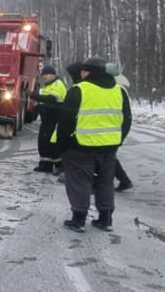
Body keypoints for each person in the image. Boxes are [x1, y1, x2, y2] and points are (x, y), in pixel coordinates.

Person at [55, 56, 132, 231]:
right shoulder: (119, 91)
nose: (81, 73)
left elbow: (66, 121)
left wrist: (63, 146)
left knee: (79, 182)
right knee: (105, 182)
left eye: (83, 70)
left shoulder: (79, 90)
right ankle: (105, 218)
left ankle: (79, 219)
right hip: (109, 148)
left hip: (80, 147)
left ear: (87, 72)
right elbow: (127, 119)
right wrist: (118, 140)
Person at [30, 64, 66, 173]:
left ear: (53, 75)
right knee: (44, 141)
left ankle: (60, 165)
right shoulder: (47, 86)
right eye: (43, 75)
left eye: (47, 74)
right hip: (47, 119)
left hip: (55, 119)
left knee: (52, 142)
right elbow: (45, 101)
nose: (44, 76)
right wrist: (38, 105)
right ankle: (45, 164)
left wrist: (36, 97)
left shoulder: (57, 84)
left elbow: (51, 100)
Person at [104, 62, 133, 190]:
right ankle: (123, 180)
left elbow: (126, 116)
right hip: (113, 131)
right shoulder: (116, 89)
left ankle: (122, 180)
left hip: (115, 131)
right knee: (109, 157)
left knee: (108, 157)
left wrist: (121, 136)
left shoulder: (118, 90)